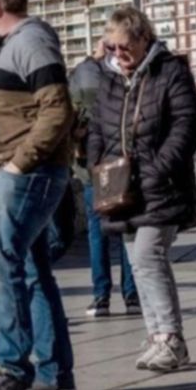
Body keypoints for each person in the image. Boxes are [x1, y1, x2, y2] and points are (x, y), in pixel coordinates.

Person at [0, 0, 75, 390]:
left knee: (0, 264)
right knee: (33, 273)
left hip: (26, 174)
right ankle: (55, 376)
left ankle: (13, 368)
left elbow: (57, 109)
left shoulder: (32, 41)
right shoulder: (4, 47)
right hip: (4, 173)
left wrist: (18, 163)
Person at [87, 7, 196, 373]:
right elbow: (97, 127)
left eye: (124, 47)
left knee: (150, 256)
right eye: (112, 48)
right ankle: (156, 335)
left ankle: (171, 337)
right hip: (120, 188)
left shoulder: (169, 71)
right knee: (137, 262)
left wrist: (157, 168)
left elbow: (188, 123)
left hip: (160, 186)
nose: (118, 55)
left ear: (143, 39)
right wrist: (97, 165)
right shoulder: (109, 79)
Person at [69, 46, 138, 318]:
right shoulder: (123, 77)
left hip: (91, 169)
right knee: (125, 231)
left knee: (97, 234)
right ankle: (132, 295)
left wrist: (91, 57)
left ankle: (101, 297)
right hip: (121, 167)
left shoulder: (83, 77)